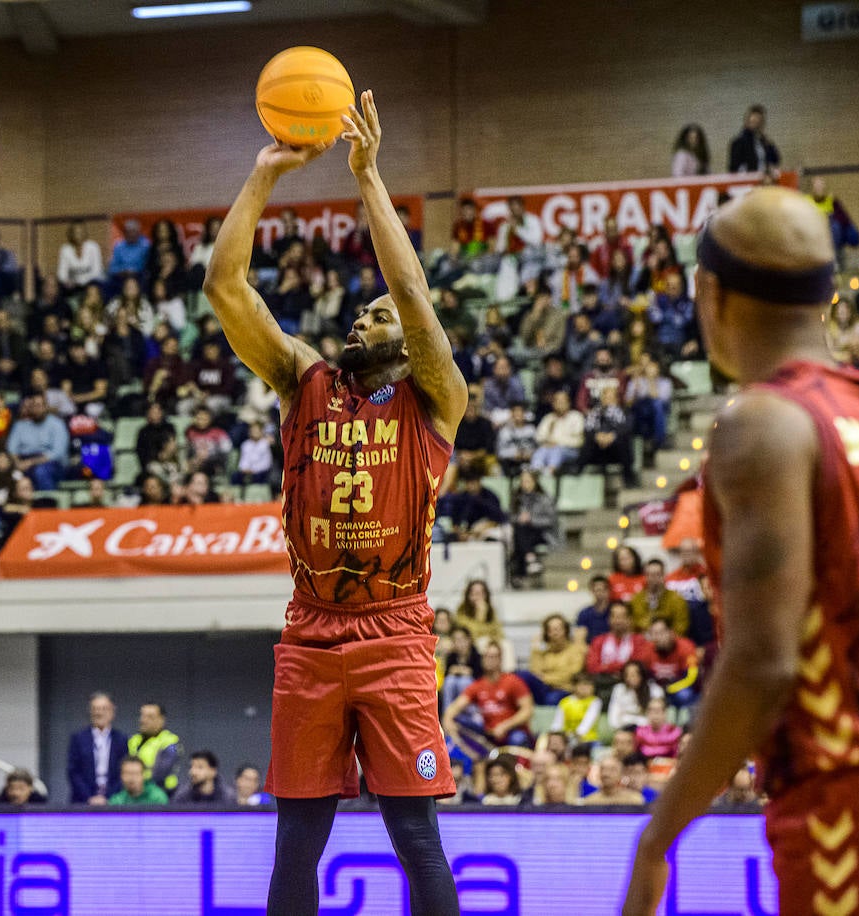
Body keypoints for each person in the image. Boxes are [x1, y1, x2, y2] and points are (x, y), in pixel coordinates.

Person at [624, 187, 859, 915]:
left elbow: (764, 661)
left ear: (709, 292)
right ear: (827, 295)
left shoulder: (763, 423)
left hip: (854, 798)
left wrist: (657, 837)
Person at [203, 92, 469, 916]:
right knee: (296, 845)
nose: (366, 315)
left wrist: (367, 178)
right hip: (311, 630)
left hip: (395, 630)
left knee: (416, 838)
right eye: (361, 310)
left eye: (378, 314)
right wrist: (260, 176)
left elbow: (413, 289)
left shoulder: (434, 398)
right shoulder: (302, 380)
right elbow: (224, 285)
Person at [443, 641, 535, 758]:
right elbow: (454, 708)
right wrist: (448, 722)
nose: (488, 660)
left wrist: (505, 726)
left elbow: (527, 711)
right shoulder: (479, 685)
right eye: (485, 656)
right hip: (489, 733)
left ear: (500, 659)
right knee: (457, 721)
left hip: (512, 731)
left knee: (518, 738)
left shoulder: (513, 681)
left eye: (492, 656)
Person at [66, 692, 129, 805]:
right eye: (95, 709)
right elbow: (73, 772)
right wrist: (90, 798)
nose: (99, 713)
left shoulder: (121, 739)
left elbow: (123, 773)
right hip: (83, 801)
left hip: (114, 801)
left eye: (104, 709)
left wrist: (108, 797)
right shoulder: (78, 738)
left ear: (112, 712)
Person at [5, 392, 70, 492]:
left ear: (46, 407)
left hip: (50, 463)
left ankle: (46, 504)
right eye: (33, 406)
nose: (36, 409)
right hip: (22, 461)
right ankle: (14, 505)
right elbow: (11, 448)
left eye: (39, 405)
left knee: (41, 471)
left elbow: (58, 452)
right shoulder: (20, 425)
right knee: (7, 470)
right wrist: (18, 463)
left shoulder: (57, 424)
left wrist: (30, 462)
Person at [589, 602, 655, 683]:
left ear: (630, 619)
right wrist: (623, 665)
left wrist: (606, 667)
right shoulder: (598, 641)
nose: (617, 621)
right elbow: (592, 668)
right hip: (603, 685)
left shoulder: (639, 641)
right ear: (609, 619)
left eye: (621, 617)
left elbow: (638, 667)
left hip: (630, 685)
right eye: (614, 616)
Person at [126, 702, 182, 798]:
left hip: (165, 793)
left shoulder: (170, 742)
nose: (144, 720)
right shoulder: (133, 740)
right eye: (142, 716)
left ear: (161, 720)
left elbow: (160, 774)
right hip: (133, 794)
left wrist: (136, 778)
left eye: (150, 717)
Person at [806, 176, 859, 269]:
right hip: (814, 230)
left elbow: (845, 219)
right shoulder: (806, 200)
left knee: (842, 228)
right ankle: (831, 258)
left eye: (821, 185)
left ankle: (835, 257)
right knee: (834, 227)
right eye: (816, 186)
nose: (819, 188)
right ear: (811, 188)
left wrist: (830, 218)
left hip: (831, 231)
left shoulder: (831, 200)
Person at [629, 559, 690, 636]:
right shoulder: (636, 599)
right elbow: (632, 626)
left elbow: (681, 628)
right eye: (650, 575)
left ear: (664, 576)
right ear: (645, 576)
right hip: (642, 643)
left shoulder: (677, 599)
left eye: (657, 574)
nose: (653, 578)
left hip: (669, 643)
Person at [608, 660, 665, 732]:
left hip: (648, 731)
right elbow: (613, 716)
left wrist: (632, 721)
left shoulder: (656, 691)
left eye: (634, 674)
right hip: (624, 729)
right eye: (627, 675)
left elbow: (657, 718)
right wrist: (619, 728)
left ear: (642, 675)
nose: (630, 678)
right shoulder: (619, 689)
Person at [726, 104, 780, 175]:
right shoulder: (739, 142)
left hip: (764, 180)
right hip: (748, 180)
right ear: (747, 122)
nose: (756, 124)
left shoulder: (763, 141)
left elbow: (776, 160)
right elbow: (733, 168)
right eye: (753, 121)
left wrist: (769, 145)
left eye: (759, 121)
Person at [550, 672, 602, 744]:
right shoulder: (564, 702)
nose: (587, 688)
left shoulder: (595, 701)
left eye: (590, 685)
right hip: (566, 740)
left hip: (589, 740)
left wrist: (574, 738)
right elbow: (557, 725)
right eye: (583, 684)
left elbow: (586, 725)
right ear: (574, 686)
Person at [580, 753, 646, 806]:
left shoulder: (634, 800)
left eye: (612, 770)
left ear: (621, 774)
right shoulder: (590, 802)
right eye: (603, 769)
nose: (606, 774)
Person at [57, 221, 105, 293]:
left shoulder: (93, 247)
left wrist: (80, 282)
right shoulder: (65, 249)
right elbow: (61, 274)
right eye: (76, 232)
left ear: (85, 233)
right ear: (71, 234)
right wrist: (67, 281)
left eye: (81, 232)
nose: (78, 235)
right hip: (73, 286)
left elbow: (97, 271)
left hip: (92, 282)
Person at [574, 576, 613, 645]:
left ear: (608, 591)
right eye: (597, 590)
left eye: (603, 590)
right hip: (591, 649)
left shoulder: (614, 612)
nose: (600, 593)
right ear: (591, 591)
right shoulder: (584, 613)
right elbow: (579, 640)